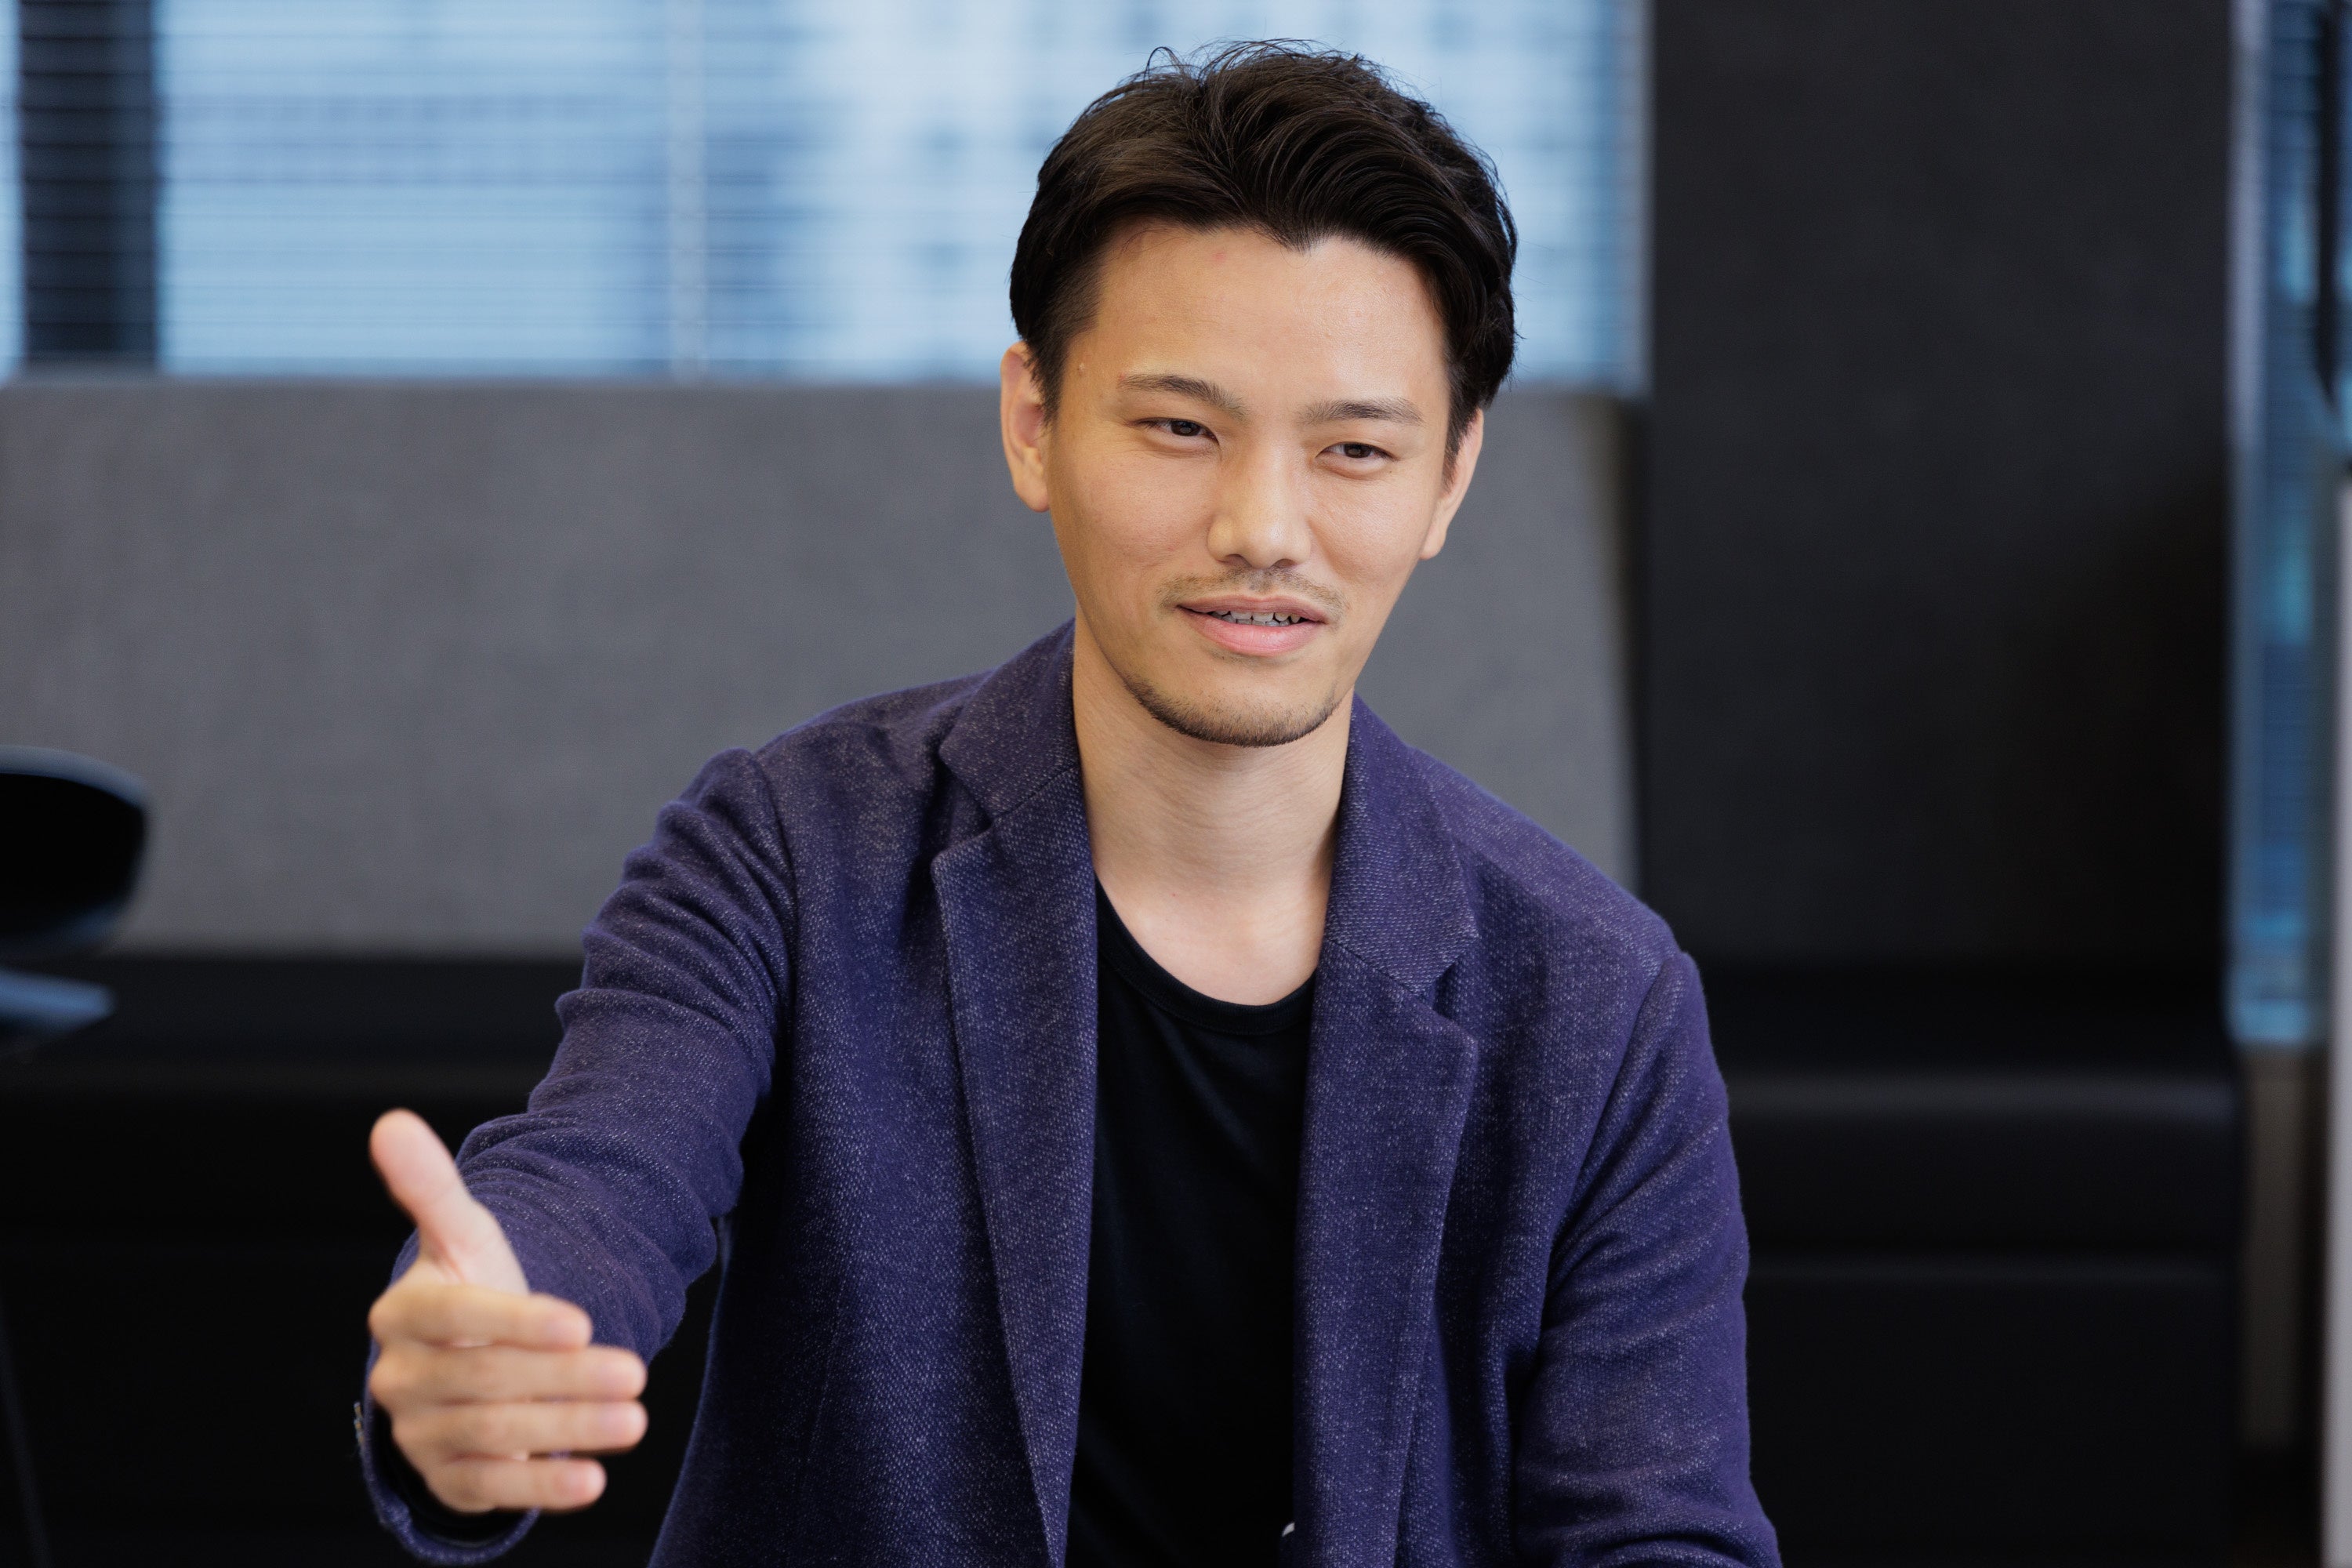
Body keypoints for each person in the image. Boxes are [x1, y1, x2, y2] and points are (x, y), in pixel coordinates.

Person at [358, 42, 1777, 1568]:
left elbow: (1658, 1530)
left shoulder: (1600, 1005)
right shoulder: (787, 854)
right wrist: (495, 1348)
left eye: (1355, 450)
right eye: (1179, 428)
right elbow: (599, 1183)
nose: (1263, 528)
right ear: (1033, 422)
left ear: (1449, 477)